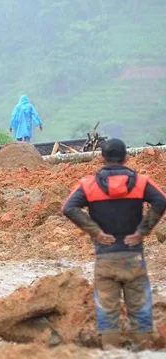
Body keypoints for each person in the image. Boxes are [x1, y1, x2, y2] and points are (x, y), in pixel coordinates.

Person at [62, 139, 166, 350]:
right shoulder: (140, 182)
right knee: (140, 311)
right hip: (133, 258)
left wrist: (96, 232)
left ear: (102, 157)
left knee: (107, 313)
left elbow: (69, 207)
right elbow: (161, 200)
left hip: (105, 259)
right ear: (126, 157)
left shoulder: (89, 185)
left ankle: (111, 352)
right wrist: (142, 231)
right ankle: (143, 352)